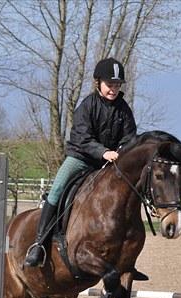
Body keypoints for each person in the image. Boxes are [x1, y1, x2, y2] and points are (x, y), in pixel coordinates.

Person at [24, 57, 137, 267]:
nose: (113, 89)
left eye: (117, 85)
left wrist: (121, 152)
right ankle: (39, 244)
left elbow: (129, 137)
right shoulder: (88, 105)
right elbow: (81, 138)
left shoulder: (124, 110)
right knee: (57, 189)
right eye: (109, 85)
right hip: (81, 158)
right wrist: (103, 152)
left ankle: (125, 252)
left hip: (108, 164)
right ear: (98, 83)